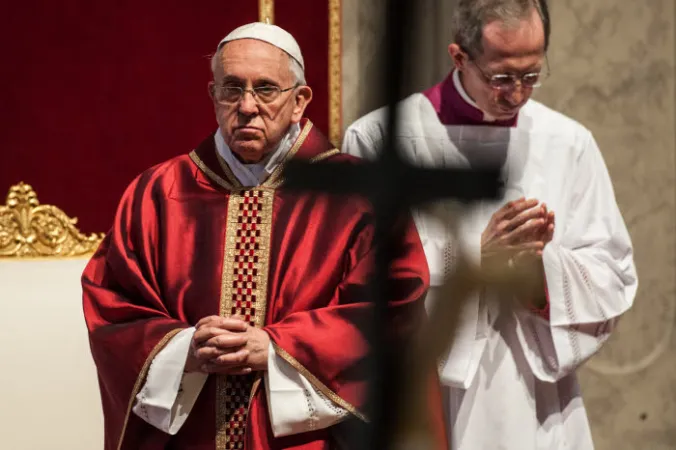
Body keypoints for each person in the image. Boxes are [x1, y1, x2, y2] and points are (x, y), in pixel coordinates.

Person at [82, 22, 434, 450]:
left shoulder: (358, 195)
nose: (247, 106)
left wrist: (275, 348)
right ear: (213, 97)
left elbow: (393, 308)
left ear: (300, 100)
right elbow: (114, 307)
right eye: (232, 89)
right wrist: (185, 348)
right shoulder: (159, 193)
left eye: (266, 89)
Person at [342, 1, 638, 449]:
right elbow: (359, 281)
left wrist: (539, 273)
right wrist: (475, 260)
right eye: (501, 78)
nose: (517, 93)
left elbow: (613, 270)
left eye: (532, 75)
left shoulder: (569, 143)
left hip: (536, 404)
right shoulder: (379, 139)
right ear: (459, 57)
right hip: (427, 394)